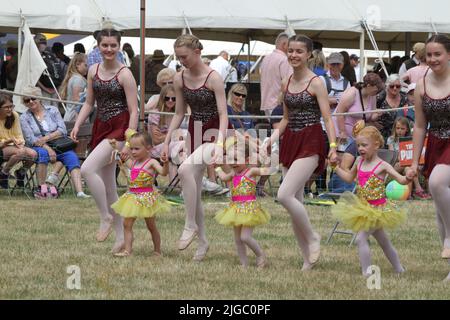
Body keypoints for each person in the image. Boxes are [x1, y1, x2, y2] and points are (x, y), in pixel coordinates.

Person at [264, 34, 338, 271]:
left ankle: (314, 237)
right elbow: (286, 118)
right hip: (290, 141)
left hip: (312, 140)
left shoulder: (317, 82)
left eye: (299, 51)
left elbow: (327, 117)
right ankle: (308, 259)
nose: (294, 55)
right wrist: (272, 138)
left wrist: (334, 148)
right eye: (291, 51)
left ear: (308, 55)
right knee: (296, 201)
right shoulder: (286, 81)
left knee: (284, 195)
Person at [160, 34, 231, 261]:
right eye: (178, 57)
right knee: (194, 191)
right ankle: (202, 244)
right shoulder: (179, 78)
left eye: (185, 56)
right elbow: (179, 112)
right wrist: (167, 140)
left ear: (197, 52)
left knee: (183, 171)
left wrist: (220, 143)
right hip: (194, 132)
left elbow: (223, 114)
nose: (182, 61)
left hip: (213, 134)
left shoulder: (214, 78)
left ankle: (189, 225)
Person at [70, 28, 138, 253]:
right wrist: (78, 124)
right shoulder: (93, 70)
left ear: (119, 46)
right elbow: (89, 103)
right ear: (98, 46)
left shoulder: (125, 73)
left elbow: (134, 110)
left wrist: (129, 140)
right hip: (100, 126)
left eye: (113, 45)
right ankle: (121, 238)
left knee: (88, 169)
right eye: (104, 45)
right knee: (109, 186)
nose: (109, 49)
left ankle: (105, 216)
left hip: (119, 129)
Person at [332, 126, 409, 277]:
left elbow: (401, 179)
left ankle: (367, 272)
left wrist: (409, 177)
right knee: (384, 242)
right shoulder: (359, 162)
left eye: (364, 145)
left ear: (376, 145)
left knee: (361, 239)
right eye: (359, 145)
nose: (360, 148)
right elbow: (348, 178)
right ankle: (399, 268)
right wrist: (335, 168)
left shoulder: (382, 165)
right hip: (363, 209)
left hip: (378, 210)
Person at [406, 34, 450, 281]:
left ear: (449, 55)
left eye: (438, 54)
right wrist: (414, 161)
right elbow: (420, 126)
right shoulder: (421, 83)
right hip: (436, 143)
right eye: (429, 55)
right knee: (439, 209)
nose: (432, 59)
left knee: (436, 183)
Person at [19, 86, 88, 199]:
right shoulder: (24, 117)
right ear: (25, 103)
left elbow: (62, 130)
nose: (31, 101)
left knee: (71, 157)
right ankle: (42, 189)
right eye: (27, 100)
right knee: (43, 154)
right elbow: (31, 139)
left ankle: (80, 192)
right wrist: (48, 148)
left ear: (39, 98)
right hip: (39, 147)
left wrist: (46, 138)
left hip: (58, 144)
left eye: (33, 98)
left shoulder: (53, 110)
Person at [214, 139, 272, 267]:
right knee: (238, 239)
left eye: (235, 159)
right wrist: (217, 167)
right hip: (235, 209)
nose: (232, 162)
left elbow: (267, 171)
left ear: (246, 160)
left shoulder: (251, 172)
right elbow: (223, 178)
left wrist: (266, 158)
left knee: (245, 237)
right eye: (230, 159)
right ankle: (244, 264)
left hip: (249, 209)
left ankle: (260, 255)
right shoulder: (233, 173)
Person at [111, 132, 170, 257]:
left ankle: (157, 251)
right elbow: (122, 159)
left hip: (146, 199)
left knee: (151, 226)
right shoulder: (133, 163)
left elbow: (164, 173)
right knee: (126, 224)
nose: (133, 152)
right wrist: (116, 150)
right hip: (132, 197)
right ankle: (128, 250)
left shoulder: (152, 162)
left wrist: (166, 163)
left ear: (148, 148)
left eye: (137, 149)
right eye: (131, 149)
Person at [148, 84, 186, 182]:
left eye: (173, 99)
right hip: (156, 149)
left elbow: (179, 136)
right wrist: (173, 136)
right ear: (162, 98)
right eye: (167, 98)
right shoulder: (156, 114)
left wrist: (166, 136)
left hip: (173, 148)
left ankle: (181, 184)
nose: (170, 101)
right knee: (183, 144)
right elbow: (156, 140)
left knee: (184, 148)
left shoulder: (177, 115)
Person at [387, 117, 430, 200]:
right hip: (396, 165)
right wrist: (400, 156)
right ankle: (418, 189)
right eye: (398, 128)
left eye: (402, 129)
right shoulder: (391, 139)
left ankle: (409, 195)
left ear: (407, 129)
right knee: (406, 165)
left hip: (407, 165)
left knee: (408, 169)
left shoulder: (410, 140)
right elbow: (392, 155)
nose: (399, 130)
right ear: (394, 128)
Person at [0, 93, 37, 189]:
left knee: (33, 154)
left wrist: (20, 142)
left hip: (14, 145)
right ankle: (4, 173)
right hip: (2, 147)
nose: (10, 109)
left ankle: (21, 173)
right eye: (6, 107)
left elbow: (19, 135)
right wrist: (8, 141)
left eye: (11, 106)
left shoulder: (15, 115)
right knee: (21, 152)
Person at [335, 73, 384, 144]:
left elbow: (371, 117)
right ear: (368, 86)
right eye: (375, 90)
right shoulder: (352, 93)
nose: (376, 93)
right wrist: (342, 132)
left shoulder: (372, 96)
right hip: (345, 132)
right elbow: (339, 113)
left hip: (360, 134)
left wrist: (378, 113)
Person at [260, 32, 293, 117]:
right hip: (278, 105)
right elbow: (289, 83)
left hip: (266, 104)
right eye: (290, 46)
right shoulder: (284, 60)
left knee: (275, 130)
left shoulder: (265, 59)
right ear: (284, 45)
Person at [375, 74, 409, 141]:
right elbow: (371, 115)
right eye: (392, 86)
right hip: (383, 135)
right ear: (387, 86)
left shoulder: (404, 98)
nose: (395, 88)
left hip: (400, 134)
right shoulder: (380, 97)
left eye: (398, 86)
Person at [59, 52, 88, 122]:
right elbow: (77, 100)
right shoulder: (78, 79)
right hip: (75, 118)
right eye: (85, 65)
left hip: (72, 116)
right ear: (77, 64)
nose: (87, 68)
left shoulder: (74, 77)